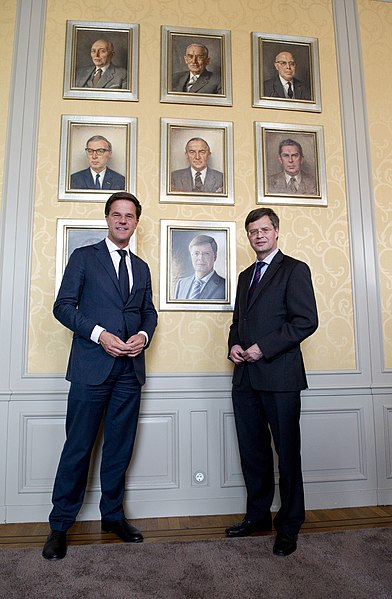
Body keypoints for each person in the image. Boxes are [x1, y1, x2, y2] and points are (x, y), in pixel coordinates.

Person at [42, 192, 158, 561]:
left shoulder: (141, 267)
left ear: (136, 222)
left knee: (119, 449)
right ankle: (59, 526)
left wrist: (142, 336)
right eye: (117, 215)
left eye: (130, 216)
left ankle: (113, 517)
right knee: (78, 449)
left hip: (129, 372)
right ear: (107, 219)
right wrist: (99, 335)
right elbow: (63, 306)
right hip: (91, 368)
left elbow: (148, 313)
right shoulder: (84, 258)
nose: (123, 221)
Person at [225, 207, 318, 557]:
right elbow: (238, 323)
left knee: (287, 454)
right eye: (253, 232)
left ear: (276, 232)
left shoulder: (295, 269)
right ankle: (258, 516)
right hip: (245, 378)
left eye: (265, 229)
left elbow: (306, 321)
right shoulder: (245, 275)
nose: (259, 236)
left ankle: (290, 524)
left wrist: (263, 348)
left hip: (280, 378)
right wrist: (233, 344)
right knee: (253, 454)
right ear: (248, 237)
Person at [175, 234, 226, 300]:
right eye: (196, 253)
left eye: (206, 253)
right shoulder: (181, 284)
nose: (200, 258)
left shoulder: (225, 286)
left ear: (215, 256)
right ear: (191, 256)